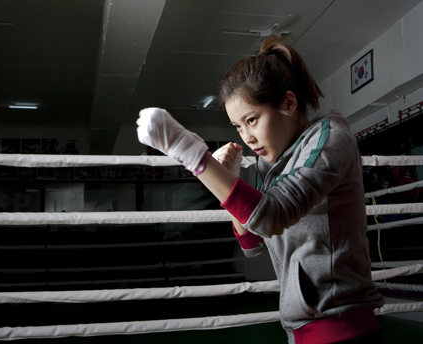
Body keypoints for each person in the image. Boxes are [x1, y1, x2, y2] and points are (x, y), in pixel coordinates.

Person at [136, 35, 384, 344]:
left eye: (252, 119)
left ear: (289, 104)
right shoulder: (274, 162)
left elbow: (272, 216)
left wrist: (189, 152)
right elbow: (253, 244)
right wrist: (232, 178)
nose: (247, 136)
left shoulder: (329, 140)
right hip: (303, 329)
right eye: (238, 126)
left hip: (341, 327)